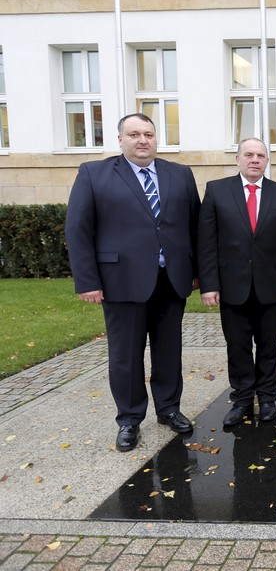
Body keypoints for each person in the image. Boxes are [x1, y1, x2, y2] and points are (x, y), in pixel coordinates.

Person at [65, 113, 200, 452]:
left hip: (171, 280)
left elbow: (195, 227)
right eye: (135, 134)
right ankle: (129, 419)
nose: (143, 140)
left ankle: (169, 409)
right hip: (120, 282)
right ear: (120, 139)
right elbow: (78, 229)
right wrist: (87, 280)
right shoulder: (94, 174)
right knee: (125, 355)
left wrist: (199, 272)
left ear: (157, 139)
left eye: (149, 134)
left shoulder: (180, 174)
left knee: (169, 350)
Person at [198, 138, 276, 427]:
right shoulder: (217, 191)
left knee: (269, 345)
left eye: (260, 155)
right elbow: (207, 243)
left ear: (266, 161)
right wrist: (209, 285)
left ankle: (267, 399)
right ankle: (242, 399)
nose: (255, 160)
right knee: (238, 345)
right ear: (238, 159)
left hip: (271, 286)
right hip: (232, 286)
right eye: (249, 154)